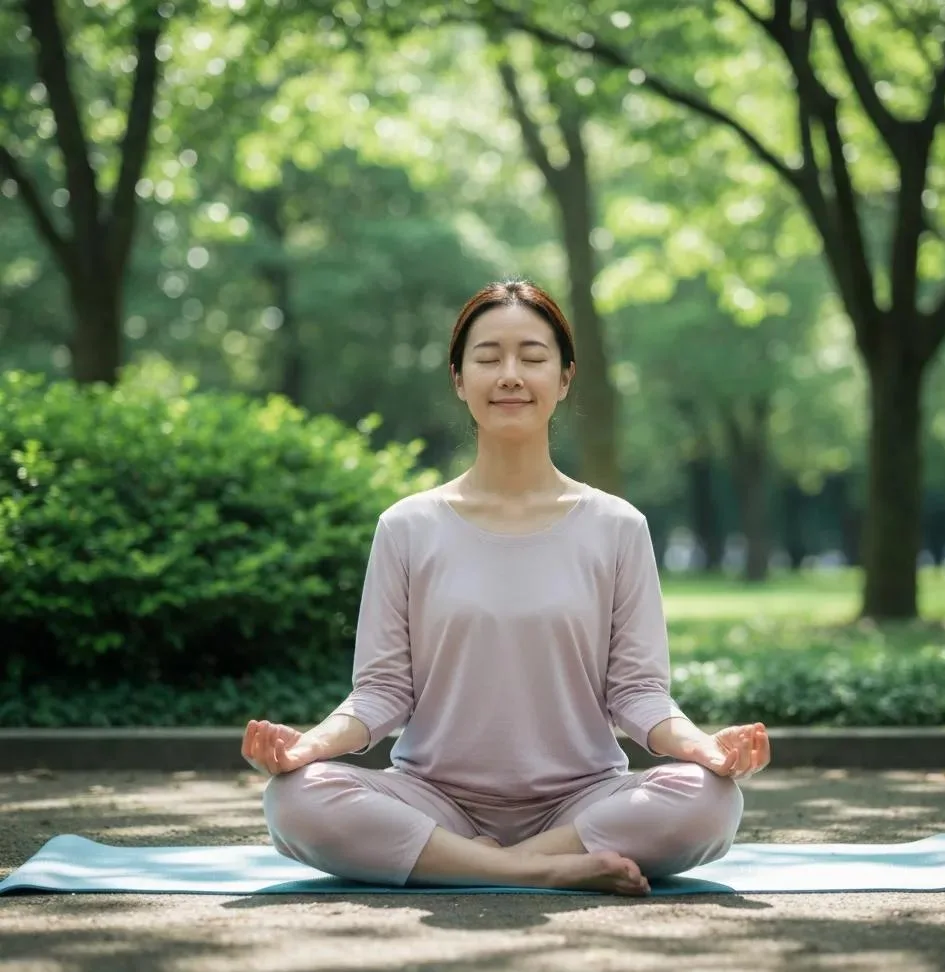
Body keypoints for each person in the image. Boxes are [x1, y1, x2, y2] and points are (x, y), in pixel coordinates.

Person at [242, 279, 771, 897]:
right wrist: (308, 747)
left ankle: (474, 863)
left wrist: (705, 749)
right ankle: (542, 870)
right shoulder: (406, 527)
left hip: (582, 802)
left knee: (710, 799)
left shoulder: (618, 526)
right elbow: (382, 691)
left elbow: (637, 693)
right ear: (459, 379)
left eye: (533, 357)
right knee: (294, 799)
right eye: (489, 358)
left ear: (565, 378)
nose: (511, 376)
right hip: (433, 798)